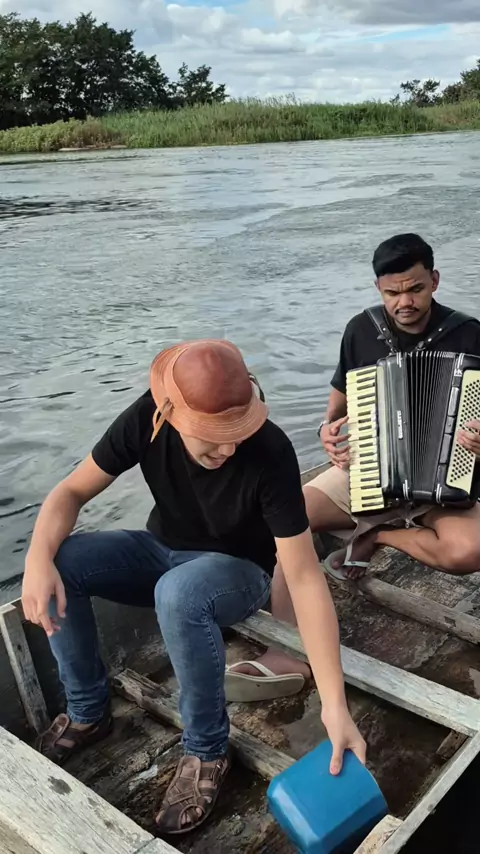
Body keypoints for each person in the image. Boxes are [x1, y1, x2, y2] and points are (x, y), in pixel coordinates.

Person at [21, 338, 365, 836]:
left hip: (238, 571)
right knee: (64, 558)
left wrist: (335, 705)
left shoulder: (269, 450)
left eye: (236, 432)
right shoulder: (146, 418)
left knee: (178, 594)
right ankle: (87, 711)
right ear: (169, 413)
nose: (228, 448)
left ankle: (206, 750)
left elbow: (305, 576)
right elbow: (71, 491)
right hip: (161, 549)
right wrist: (36, 559)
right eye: (212, 436)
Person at [227, 233, 480, 701]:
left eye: (415, 288)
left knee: (469, 552)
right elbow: (338, 406)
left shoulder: (469, 335)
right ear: (378, 288)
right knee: (287, 517)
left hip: (444, 482)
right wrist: (327, 431)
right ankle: (285, 650)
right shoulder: (362, 330)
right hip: (367, 472)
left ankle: (375, 535)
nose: (404, 302)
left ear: (434, 280)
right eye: (392, 292)